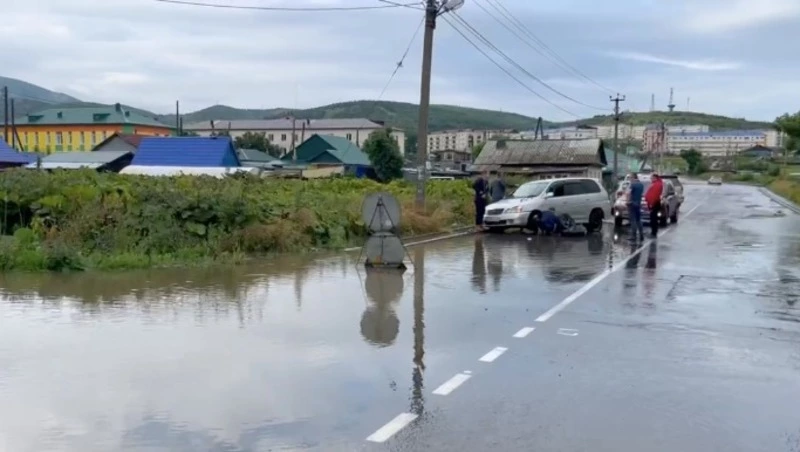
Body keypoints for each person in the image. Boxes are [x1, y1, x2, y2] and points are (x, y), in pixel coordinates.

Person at [644, 173, 664, 237]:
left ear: (655, 178)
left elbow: (654, 195)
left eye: (651, 178)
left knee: (653, 218)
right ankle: (654, 231)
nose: (651, 179)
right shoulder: (656, 184)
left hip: (654, 203)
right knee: (653, 218)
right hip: (655, 202)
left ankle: (654, 232)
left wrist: (651, 204)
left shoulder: (657, 185)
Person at [627, 172, 645, 241]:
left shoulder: (633, 185)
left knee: (633, 220)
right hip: (638, 204)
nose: (630, 179)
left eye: (630, 177)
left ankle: (633, 236)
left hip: (632, 203)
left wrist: (628, 201)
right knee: (638, 220)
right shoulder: (641, 185)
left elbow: (628, 193)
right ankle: (641, 235)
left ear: (633, 177)